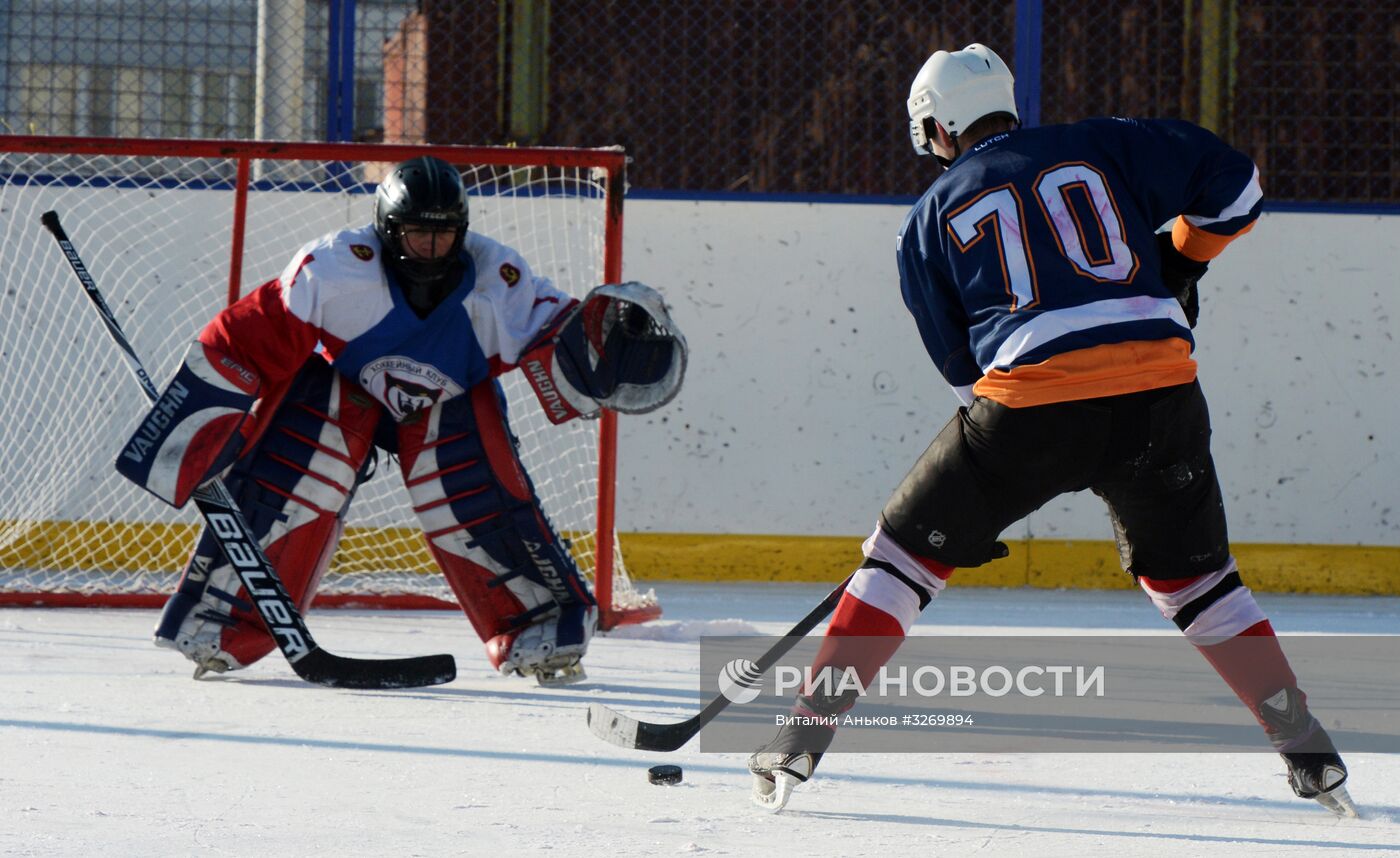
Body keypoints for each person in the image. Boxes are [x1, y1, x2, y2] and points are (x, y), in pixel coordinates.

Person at [747, 44, 1355, 815]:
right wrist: (1178, 261)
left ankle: (803, 735)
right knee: (1198, 583)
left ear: (938, 129)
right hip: (1163, 395)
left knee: (900, 560)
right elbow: (1237, 189)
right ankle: (1306, 749)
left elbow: (966, 377)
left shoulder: (925, 220)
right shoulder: (1101, 141)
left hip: (1030, 406)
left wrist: (982, 488)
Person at [114, 156, 684, 686]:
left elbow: (557, 333)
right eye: (418, 234)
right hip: (343, 393)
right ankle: (219, 623)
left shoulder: (498, 277)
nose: (433, 248)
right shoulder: (334, 267)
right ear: (388, 230)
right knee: (291, 474)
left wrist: (608, 341)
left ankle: (540, 629)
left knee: (475, 495)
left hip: (451, 402)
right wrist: (198, 422)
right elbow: (245, 336)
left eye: (444, 234)